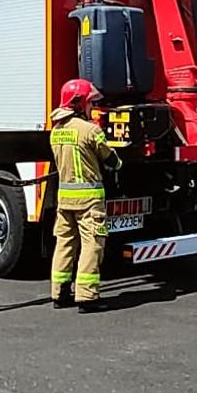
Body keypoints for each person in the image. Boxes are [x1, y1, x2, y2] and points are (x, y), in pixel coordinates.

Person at [49, 78, 119, 313]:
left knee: (65, 243)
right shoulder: (90, 130)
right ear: (79, 103)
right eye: (90, 102)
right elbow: (110, 159)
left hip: (64, 199)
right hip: (89, 201)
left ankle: (59, 293)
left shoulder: (56, 131)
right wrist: (119, 163)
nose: (92, 107)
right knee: (92, 245)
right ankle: (87, 297)